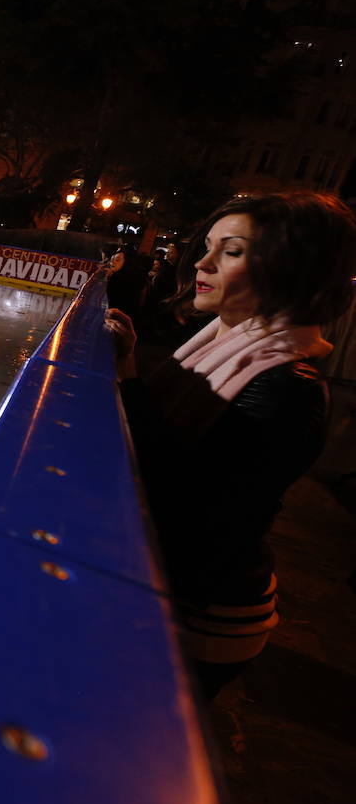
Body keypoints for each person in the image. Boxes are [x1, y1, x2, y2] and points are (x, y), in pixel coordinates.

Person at [105, 193, 356, 700]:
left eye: (232, 251)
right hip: (177, 592)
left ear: (289, 270)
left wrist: (127, 377)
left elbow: (183, 502)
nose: (202, 262)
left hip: (206, 618)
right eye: (208, 246)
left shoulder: (286, 388)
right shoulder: (223, 340)